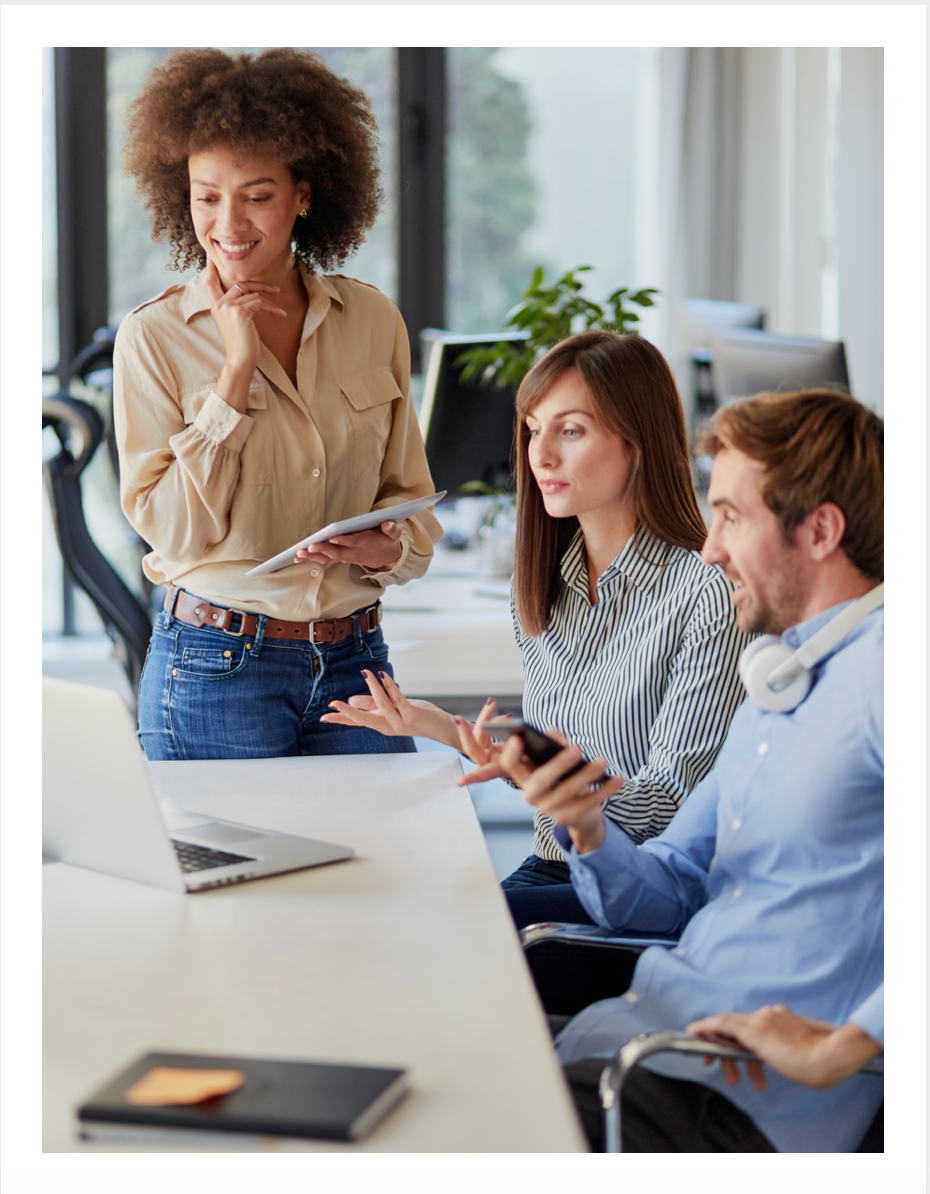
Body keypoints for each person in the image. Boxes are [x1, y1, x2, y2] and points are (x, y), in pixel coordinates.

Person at [503, 388, 883, 1151]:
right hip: (638, 1044)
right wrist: (587, 827)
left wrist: (852, 1042)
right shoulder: (782, 682)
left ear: (820, 530)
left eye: (731, 517)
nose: (709, 549)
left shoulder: (886, 674)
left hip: (723, 1099)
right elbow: (671, 887)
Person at [322, 331, 750, 942]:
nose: (539, 455)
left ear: (638, 441)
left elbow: (669, 806)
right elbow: (560, 749)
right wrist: (440, 727)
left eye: (570, 431)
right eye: (532, 429)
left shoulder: (704, 593)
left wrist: (532, 776)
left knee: (422, 932)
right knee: (383, 904)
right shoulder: (548, 585)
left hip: (642, 888)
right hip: (554, 868)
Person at [113, 49, 441, 761]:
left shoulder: (373, 320)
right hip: (216, 666)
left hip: (358, 658)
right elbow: (170, 533)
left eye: (256, 195)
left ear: (304, 195)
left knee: (384, 869)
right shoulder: (154, 337)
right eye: (206, 196)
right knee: (240, 873)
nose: (227, 223)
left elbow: (412, 506)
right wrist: (235, 373)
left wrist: (390, 550)